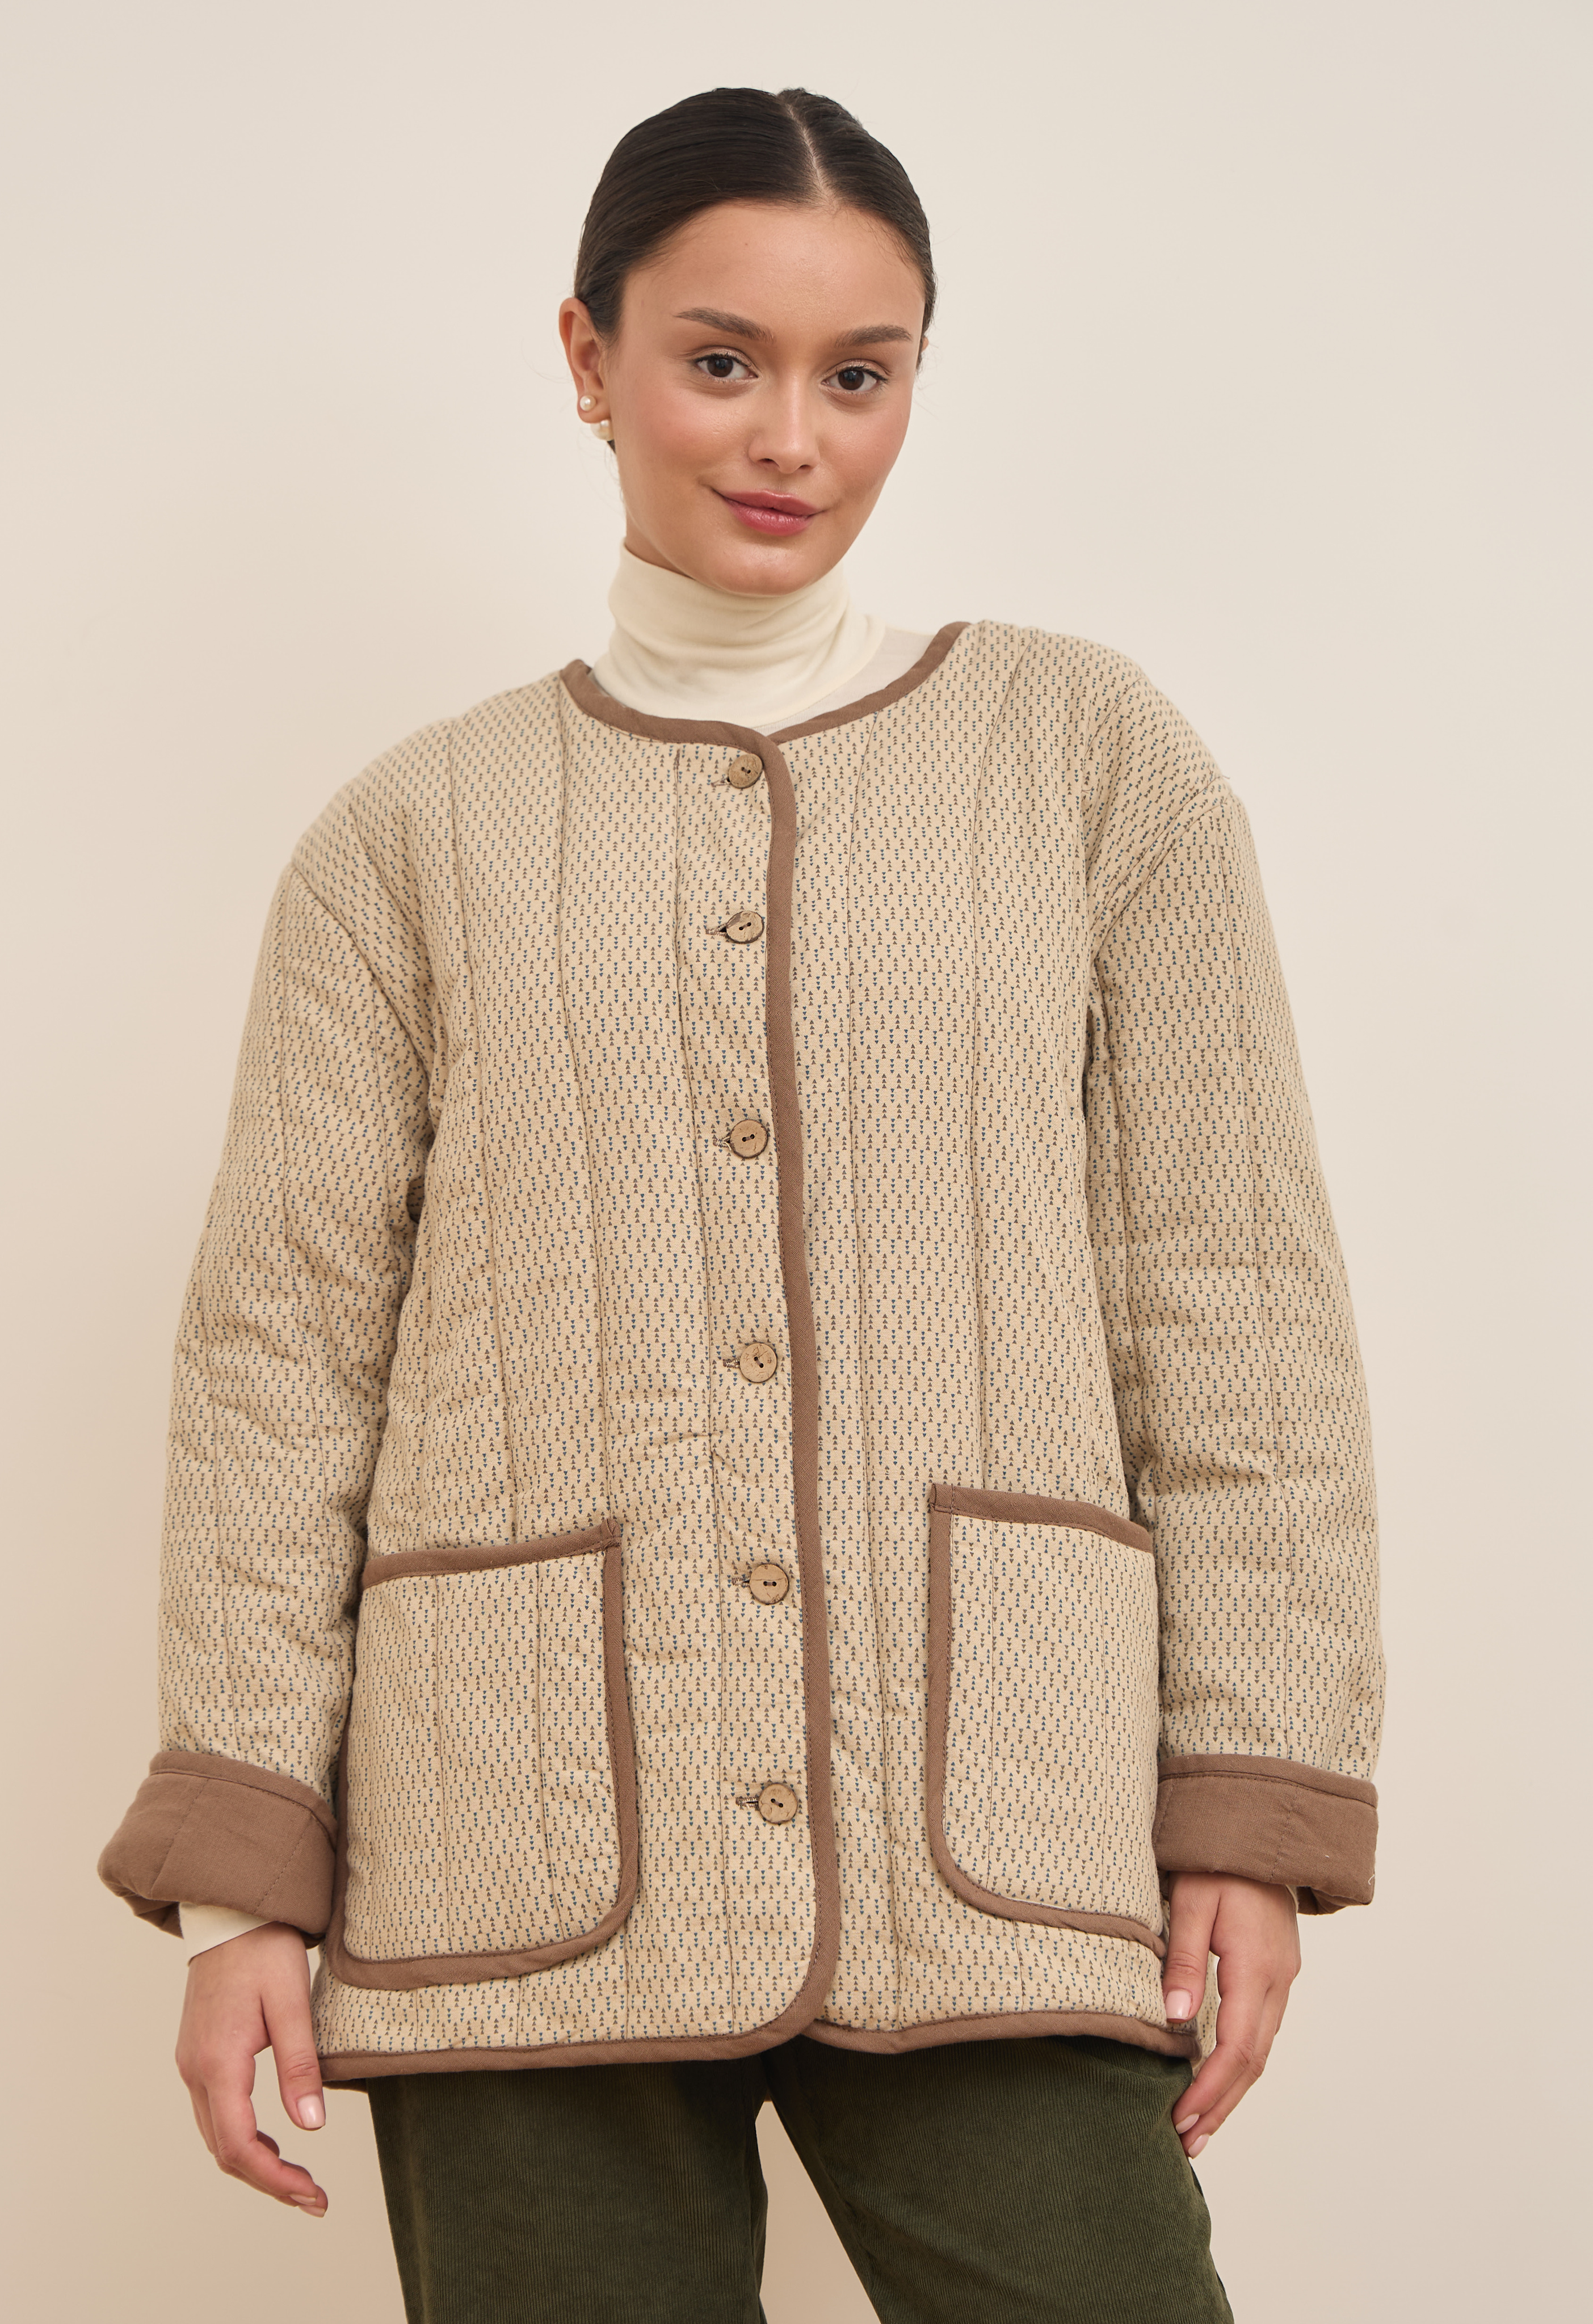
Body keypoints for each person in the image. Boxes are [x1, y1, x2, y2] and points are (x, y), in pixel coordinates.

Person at [99, 86, 1384, 2324]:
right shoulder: (409, 839)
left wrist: (1248, 1804)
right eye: (723, 360)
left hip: (1002, 1815)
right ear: (589, 355)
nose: (793, 435)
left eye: (858, 374)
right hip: (516, 1833)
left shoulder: (1094, 763)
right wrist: (242, 1892)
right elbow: (279, 1362)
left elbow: (1233, 1292)